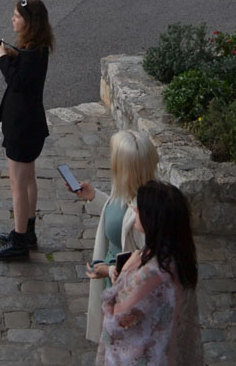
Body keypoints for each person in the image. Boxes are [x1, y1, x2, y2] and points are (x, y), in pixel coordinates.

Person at [96, 179, 204, 366]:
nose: (134, 210)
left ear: (152, 219)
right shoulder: (179, 257)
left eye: (139, 209)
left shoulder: (152, 274)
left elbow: (115, 320)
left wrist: (125, 271)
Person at [75, 129, 159, 344]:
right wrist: (93, 196)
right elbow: (118, 215)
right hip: (111, 280)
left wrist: (108, 270)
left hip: (122, 290)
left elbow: (144, 269)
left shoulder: (146, 213)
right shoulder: (124, 189)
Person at [0, 0, 54, 261]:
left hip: (22, 128)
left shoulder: (33, 54)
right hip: (30, 126)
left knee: (17, 184)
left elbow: (16, 81)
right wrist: (9, 52)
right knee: (28, 180)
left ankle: (19, 242)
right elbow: (25, 65)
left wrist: (2, 56)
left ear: (29, 22)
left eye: (17, 16)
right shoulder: (38, 48)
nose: (12, 20)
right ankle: (27, 231)